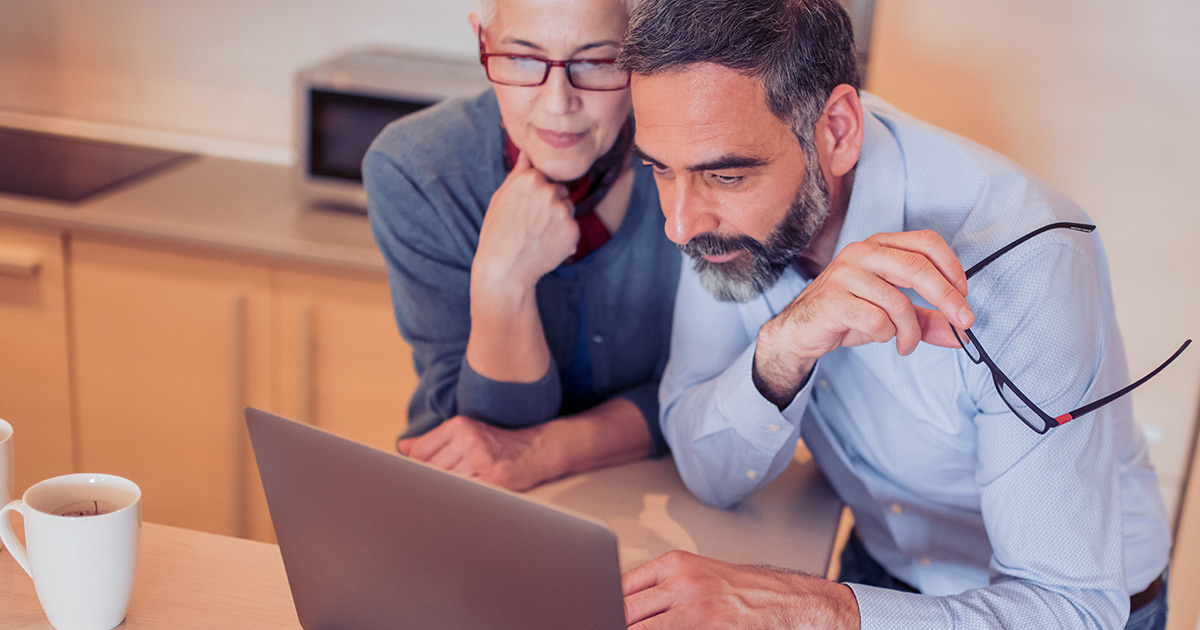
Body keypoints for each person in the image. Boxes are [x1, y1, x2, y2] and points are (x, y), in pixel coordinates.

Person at [617, 0, 1176, 628]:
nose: (679, 225)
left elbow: (1070, 607)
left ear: (836, 130)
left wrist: (804, 609)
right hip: (874, 571)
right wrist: (779, 353)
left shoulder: (1026, 258)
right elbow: (708, 471)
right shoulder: (717, 217)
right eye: (659, 168)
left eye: (726, 176)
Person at [364, 0, 678, 492]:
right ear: (482, 43)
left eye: (596, 62)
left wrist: (551, 450)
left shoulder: (690, 160)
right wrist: (501, 281)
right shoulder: (416, 167)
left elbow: (710, 395)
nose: (558, 103)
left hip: (662, 493)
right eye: (523, 58)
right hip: (475, 497)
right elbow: (485, 435)